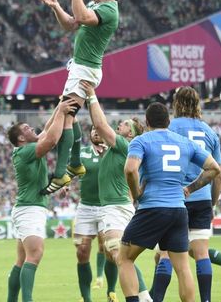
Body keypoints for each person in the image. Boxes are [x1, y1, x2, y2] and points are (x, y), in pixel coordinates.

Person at [150, 87, 221, 302]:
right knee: (201, 253)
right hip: (203, 197)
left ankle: (155, 298)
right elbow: (219, 175)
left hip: (174, 197)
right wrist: (212, 202)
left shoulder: (170, 127)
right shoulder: (210, 132)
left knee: (165, 253)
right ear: (198, 104)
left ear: (176, 103)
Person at [120, 102, 221, 302]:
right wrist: (190, 188)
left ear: (147, 122)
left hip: (152, 209)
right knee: (183, 267)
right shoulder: (184, 142)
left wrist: (137, 194)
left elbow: (130, 169)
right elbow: (214, 169)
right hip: (178, 210)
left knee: (124, 258)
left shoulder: (141, 141)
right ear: (168, 121)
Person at [37, 0, 122, 194]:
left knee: (65, 113)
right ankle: (73, 164)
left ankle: (63, 171)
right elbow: (72, 24)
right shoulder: (98, 5)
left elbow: (83, 16)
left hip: (86, 69)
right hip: (80, 68)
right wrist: (56, 7)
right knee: (68, 116)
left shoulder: (110, 10)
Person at [81, 81, 152, 302]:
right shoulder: (119, 148)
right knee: (119, 257)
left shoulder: (125, 144)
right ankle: (144, 298)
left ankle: (142, 298)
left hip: (116, 206)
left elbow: (101, 126)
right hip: (115, 205)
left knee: (117, 254)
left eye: (123, 124)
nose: (119, 125)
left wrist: (91, 96)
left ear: (130, 133)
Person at [6, 99, 73, 302]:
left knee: (21, 260)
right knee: (35, 255)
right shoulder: (26, 151)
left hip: (28, 207)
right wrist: (61, 112)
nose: (31, 128)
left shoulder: (27, 149)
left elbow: (46, 129)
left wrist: (59, 107)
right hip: (29, 210)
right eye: (27, 128)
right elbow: (52, 139)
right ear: (21, 138)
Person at [72, 125, 110, 302]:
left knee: (109, 248)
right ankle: (86, 297)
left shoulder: (113, 152)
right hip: (85, 207)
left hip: (106, 207)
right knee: (82, 251)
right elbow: (71, 170)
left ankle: (111, 291)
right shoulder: (82, 153)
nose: (95, 132)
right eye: (93, 130)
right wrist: (64, 184)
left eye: (98, 129)